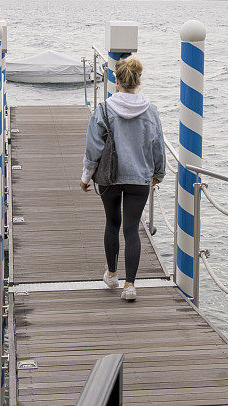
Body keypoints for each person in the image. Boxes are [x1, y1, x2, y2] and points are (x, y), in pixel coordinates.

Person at [80, 57, 165, 301]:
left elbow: (93, 147)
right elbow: (157, 146)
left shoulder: (104, 109)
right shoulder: (151, 111)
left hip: (110, 177)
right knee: (131, 229)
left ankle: (113, 274)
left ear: (116, 80)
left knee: (112, 223)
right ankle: (130, 286)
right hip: (139, 178)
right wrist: (158, 173)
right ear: (138, 81)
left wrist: (86, 176)